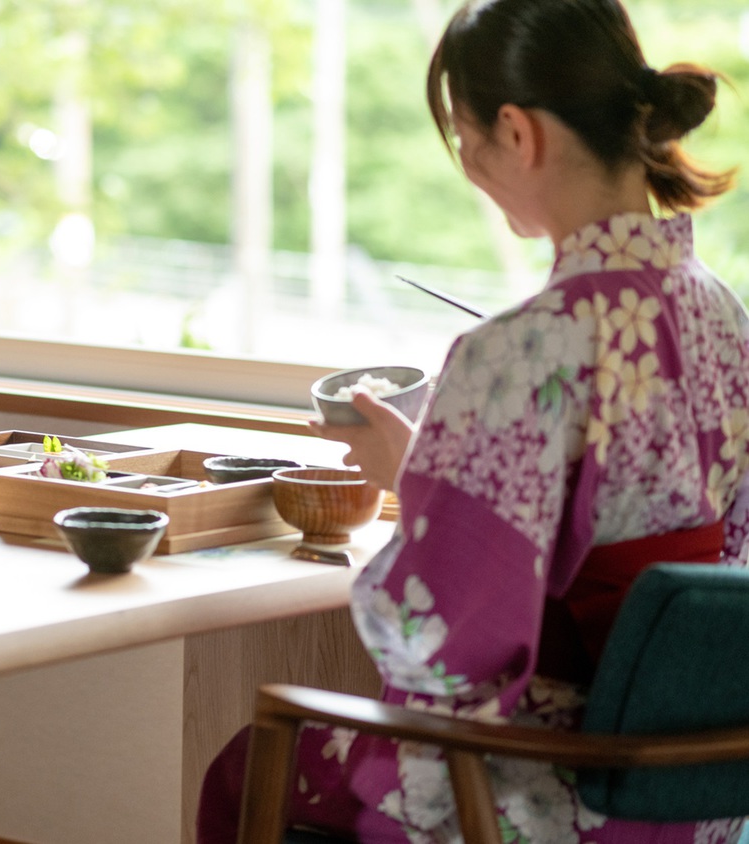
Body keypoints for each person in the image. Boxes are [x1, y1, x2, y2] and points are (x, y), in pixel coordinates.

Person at [197, 0, 749, 841]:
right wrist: (447, 473)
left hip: (554, 790)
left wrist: (416, 485)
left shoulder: (519, 350)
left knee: (248, 766)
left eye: (466, 141)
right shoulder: (726, 321)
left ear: (518, 133)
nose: (471, 168)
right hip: (696, 789)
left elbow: (443, 643)